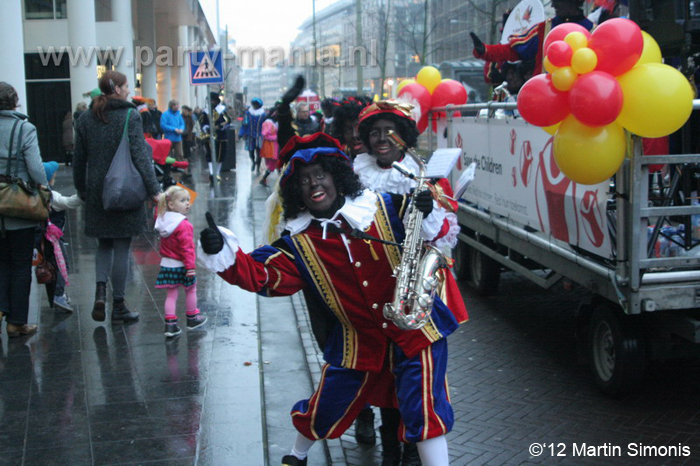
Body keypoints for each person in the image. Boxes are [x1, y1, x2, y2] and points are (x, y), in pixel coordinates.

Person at [199, 134, 457, 466]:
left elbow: (433, 229)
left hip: (417, 328)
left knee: (423, 407)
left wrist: (426, 207)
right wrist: (219, 248)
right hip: (358, 339)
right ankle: (296, 455)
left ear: (337, 177)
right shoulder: (298, 243)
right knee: (329, 403)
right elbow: (260, 275)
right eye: (304, 180)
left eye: (320, 174)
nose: (314, 184)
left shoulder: (387, 206)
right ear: (296, 192)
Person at [356, 100, 468, 465]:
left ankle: (412, 448)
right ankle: (391, 446)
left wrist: (427, 207)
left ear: (403, 137)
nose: (381, 139)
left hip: (415, 288)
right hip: (376, 284)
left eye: (389, 131)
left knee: (418, 375)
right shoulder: (357, 174)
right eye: (374, 133)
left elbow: (446, 234)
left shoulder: (423, 175)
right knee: (386, 373)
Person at [73, 70, 161, 324]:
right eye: (126, 86)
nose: (129, 90)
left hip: (97, 191)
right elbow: (140, 157)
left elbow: (79, 159)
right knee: (122, 248)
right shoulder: (130, 115)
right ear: (118, 89)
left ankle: (100, 291)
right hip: (125, 190)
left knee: (104, 245)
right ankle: (119, 305)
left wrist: (82, 189)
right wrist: (154, 190)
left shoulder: (86, 118)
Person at [0, 82, 49, 337]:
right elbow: (36, 169)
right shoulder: (24, 128)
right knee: (20, 264)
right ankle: (16, 321)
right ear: (14, 101)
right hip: (19, 206)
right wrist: (44, 189)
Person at [470, 0, 593, 79]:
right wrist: (485, 51)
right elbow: (514, 51)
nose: (553, 5)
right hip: (548, 98)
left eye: (557, 1)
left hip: (584, 98)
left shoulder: (594, 30)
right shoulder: (544, 28)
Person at [154, 185, 207, 337]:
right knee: (191, 290)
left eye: (188, 200)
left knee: (171, 295)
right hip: (182, 265)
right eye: (182, 200)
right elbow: (187, 248)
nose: (187, 203)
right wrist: (190, 267)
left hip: (167, 264)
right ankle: (192, 318)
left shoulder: (163, 220)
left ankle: (170, 326)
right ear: (171, 204)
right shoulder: (183, 225)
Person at [42, 161, 83, 312]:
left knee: (48, 266)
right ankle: (58, 295)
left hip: (41, 238)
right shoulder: (52, 195)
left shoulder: (36, 192)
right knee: (60, 264)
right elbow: (69, 203)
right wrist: (83, 196)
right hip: (54, 239)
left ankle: (54, 295)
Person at [330, 96, 372, 161]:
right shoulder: (338, 164)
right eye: (348, 130)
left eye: (359, 128)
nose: (354, 135)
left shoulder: (389, 164)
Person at [239, 98, 266, 174]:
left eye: (256, 104)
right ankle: (253, 162)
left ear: (259, 105)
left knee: (259, 153)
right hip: (250, 136)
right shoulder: (248, 113)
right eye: (254, 104)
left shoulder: (263, 115)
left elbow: (266, 125)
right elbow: (244, 124)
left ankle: (258, 167)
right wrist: (240, 134)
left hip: (259, 136)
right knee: (251, 152)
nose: (254, 106)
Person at [259, 110, 279, 187]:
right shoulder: (268, 122)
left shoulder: (275, 122)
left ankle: (264, 179)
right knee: (273, 165)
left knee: (275, 165)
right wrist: (276, 137)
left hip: (275, 146)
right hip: (270, 147)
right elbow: (265, 134)